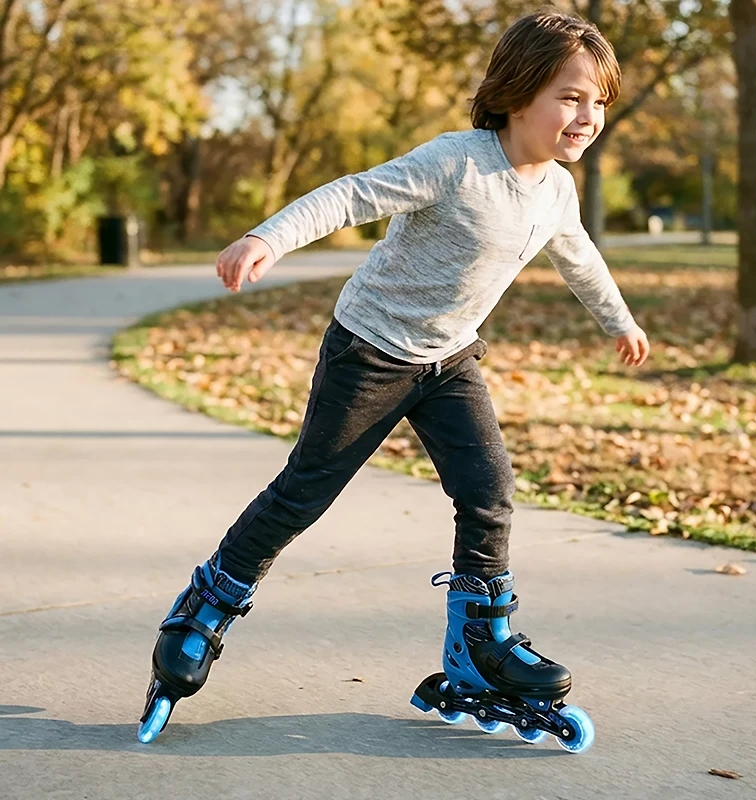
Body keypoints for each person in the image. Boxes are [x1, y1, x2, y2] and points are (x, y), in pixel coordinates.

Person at [137, 8, 649, 749]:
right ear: (516, 92)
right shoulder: (458, 162)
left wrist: (620, 321)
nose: (588, 115)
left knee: (490, 492)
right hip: (370, 350)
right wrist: (266, 237)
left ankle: (479, 644)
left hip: (449, 360)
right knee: (304, 492)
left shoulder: (557, 191)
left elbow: (579, 257)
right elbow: (351, 193)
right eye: (570, 95)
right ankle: (206, 606)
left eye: (598, 100)